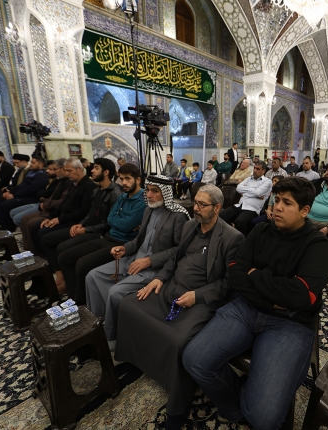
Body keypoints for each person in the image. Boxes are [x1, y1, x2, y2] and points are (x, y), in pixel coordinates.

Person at [183, 178, 328, 429]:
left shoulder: (318, 245)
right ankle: (237, 408)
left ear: (304, 211)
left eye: (287, 203)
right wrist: (273, 295)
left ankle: (253, 403)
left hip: (290, 323)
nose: (278, 207)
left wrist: (254, 274)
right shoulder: (261, 230)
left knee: (264, 418)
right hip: (245, 308)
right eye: (277, 200)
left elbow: (301, 295)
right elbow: (235, 272)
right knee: (194, 360)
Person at [114, 185, 244, 429]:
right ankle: (138, 361)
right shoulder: (190, 226)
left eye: (202, 205)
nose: (196, 208)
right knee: (129, 305)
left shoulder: (232, 238)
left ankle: (179, 404)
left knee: (178, 341)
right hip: (172, 287)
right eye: (195, 203)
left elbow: (230, 283)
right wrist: (159, 278)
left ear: (217, 208)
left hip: (200, 299)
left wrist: (198, 295)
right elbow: (175, 258)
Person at [86, 175, 189, 342]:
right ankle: (97, 322)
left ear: (166, 193)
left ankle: (111, 337)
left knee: (115, 292)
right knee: (92, 276)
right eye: (147, 190)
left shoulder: (178, 216)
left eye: (155, 191)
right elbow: (139, 240)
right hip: (134, 259)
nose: (149, 195)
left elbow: (179, 250)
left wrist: (149, 260)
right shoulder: (148, 210)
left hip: (154, 267)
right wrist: (125, 248)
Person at [57, 163, 148, 304]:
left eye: (128, 179)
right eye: (121, 179)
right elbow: (110, 219)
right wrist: (121, 220)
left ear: (138, 180)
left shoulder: (142, 200)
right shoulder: (123, 196)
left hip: (122, 244)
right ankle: (72, 295)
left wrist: (119, 220)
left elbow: (126, 226)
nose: (124, 182)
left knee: (82, 264)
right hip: (108, 237)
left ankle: (79, 303)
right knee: (65, 257)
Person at [41, 158, 121, 294]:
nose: (92, 170)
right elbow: (90, 213)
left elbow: (109, 223)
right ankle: (66, 282)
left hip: (99, 232)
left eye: (96, 168)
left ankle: (74, 293)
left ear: (106, 172)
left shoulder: (115, 192)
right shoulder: (97, 190)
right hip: (89, 227)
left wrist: (85, 229)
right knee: (52, 241)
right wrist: (81, 224)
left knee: (64, 250)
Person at [28, 158, 97, 255]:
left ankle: (52, 259)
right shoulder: (73, 184)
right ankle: (43, 256)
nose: (67, 174)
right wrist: (50, 218)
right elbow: (63, 203)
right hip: (65, 218)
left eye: (70, 171)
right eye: (66, 171)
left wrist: (59, 219)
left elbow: (84, 211)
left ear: (79, 169)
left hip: (75, 222)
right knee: (37, 226)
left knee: (43, 233)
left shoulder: (89, 186)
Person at [0, 156, 49, 231]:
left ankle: (9, 228)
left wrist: (14, 195)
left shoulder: (42, 175)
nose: (31, 164)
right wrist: (10, 192)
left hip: (32, 198)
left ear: (40, 165)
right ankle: (1, 223)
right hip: (23, 195)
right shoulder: (31, 172)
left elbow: (30, 189)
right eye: (31, 162)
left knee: (5, 205)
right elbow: (21, 185)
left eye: (33, 163)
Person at [220, 161, 272, 234]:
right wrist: (254, 192)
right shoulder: (248, 179)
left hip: (252, 209)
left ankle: (241, 240)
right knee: (221, 216)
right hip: (240, 206)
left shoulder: (267, 182)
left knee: (240, 222)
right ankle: (228, 235)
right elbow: (238, 188)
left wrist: (245, 192)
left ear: (263, 171)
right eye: (254, 168)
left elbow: (258, 192)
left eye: (258, 169)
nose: (255, 170)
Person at [9, 159, 62, 227]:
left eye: (52, 169)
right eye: (47, 169)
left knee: (18, 218)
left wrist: (14, 195)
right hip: (40, 202)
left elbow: (48, 195)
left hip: (45, 205)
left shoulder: (58, 181)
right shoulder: (51, 179)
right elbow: (40, 192)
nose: (47, 171)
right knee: (12, 212)